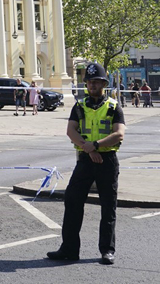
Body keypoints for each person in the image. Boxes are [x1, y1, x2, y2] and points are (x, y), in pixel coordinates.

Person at [47, 62, 125, 265]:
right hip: (85, 160)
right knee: (72, 201)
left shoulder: (113, 107)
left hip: (107, 161)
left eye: (96, 82)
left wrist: (96, 146)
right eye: (90, 82)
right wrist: (88, 149)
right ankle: (69, 249)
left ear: (104, 84)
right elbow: (70, 131)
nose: (92, 85)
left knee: (108, 207)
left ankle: (107, 250)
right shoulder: (79, 106)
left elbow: (119, 134)